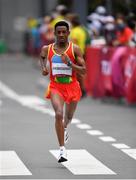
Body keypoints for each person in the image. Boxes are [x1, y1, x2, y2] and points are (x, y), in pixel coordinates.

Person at [39, 21, 86, 163]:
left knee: (69, 117)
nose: (61, 35)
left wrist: (70, 64)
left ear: (68, 33)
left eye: (63, 32)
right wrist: (43, 68)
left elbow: (84, 71)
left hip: (72, 86)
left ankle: (65, 127)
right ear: (54, 33)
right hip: (56, 86)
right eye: (58, 32)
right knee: (58, 114)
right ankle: (62, 150)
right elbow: (42, 57)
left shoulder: (75, 49)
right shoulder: (47, 49)